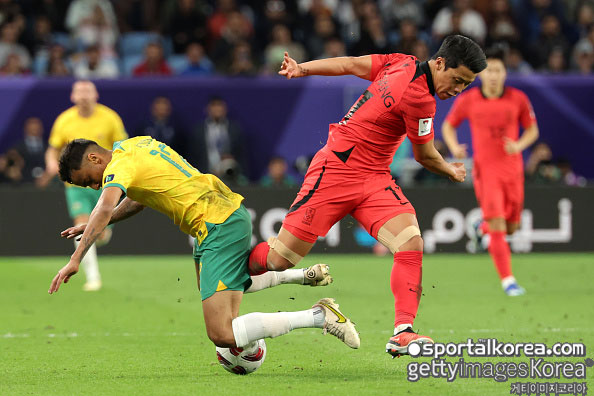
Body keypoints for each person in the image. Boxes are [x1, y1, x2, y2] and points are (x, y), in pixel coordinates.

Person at [246, 35, 487, 358]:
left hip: (373, 178)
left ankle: (403, 332)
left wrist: (303, 69)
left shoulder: (400, 61)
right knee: (279, 260)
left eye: (466, 85)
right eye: (457, 80)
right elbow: (425, 156)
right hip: (336, 170)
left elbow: (350, 64)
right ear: (440, 63)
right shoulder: (420, 98)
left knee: (410, 243)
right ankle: (230, 261)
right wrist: (452, 171)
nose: (458, 90)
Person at [48, 136, 360, 355]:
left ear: (93, 158)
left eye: (88, 179)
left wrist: (77, 257)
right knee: (220, 289)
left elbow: (103, 207)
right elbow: (137, 201)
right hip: (220, 215)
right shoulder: (135, 145)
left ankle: (320, 316)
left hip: (215, 223)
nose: (92, 186)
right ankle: (300, 276)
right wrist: (98, 223)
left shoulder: (119, 164)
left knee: (222, 333)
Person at [442, 47, 539, 297]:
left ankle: (480, 227)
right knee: (498, 224)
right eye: (489, 71)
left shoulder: (517, 99)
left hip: (513, 171)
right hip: (487, 172)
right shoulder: (468, 100)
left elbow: (532, 130)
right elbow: (448, 127)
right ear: (481, 74)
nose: (493, 75)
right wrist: (454, 148)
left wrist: (518, 145)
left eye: (498, 70)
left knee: (511, 228)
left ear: (505, 73)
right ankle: (508, 281)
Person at [39, 80, 128, 291]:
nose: (84, 95)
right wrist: (52, 163)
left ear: (96, 95)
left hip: (105, 182)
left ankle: (93, 251)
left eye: (88, 91)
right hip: (77, 186)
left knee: (102, 234)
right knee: (83, 223)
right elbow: (53, 148)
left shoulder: (110, 117)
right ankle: (93, 276)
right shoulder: (64, 120)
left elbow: (123, 146)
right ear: (73, 96)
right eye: (80, 91)